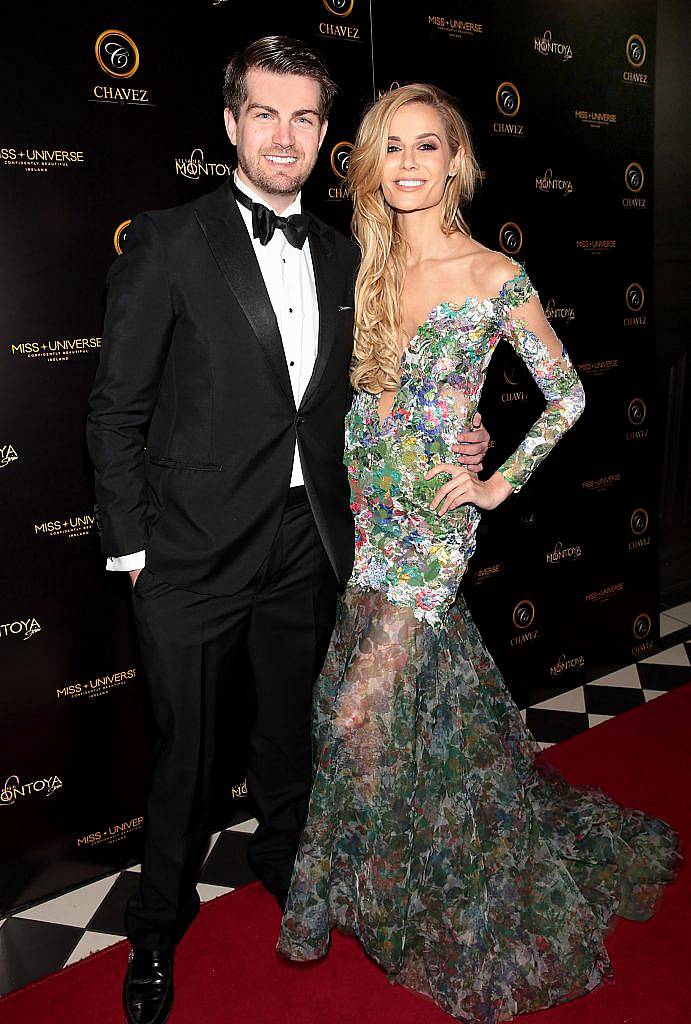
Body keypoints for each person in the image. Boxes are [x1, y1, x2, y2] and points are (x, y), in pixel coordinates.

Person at [86, 42, 488, 1024]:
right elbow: (114, 411)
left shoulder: (347, 252)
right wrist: (136, 554)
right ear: (230, 124)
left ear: (324, 135)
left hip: (307, 544)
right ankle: (153, 933)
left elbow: (366, 396)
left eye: (305, 119)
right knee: (184, 758)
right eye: (265, 115)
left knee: (288, 744)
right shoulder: (171, 241)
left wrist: (456, 429)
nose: (285, 136)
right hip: (189, 556)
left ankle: (288, 871)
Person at [276, 83, 683, 1022]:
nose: (410, 164)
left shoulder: (492, 274)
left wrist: (496, 478)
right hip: (358, 510)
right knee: (412, 707)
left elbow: (567, 393)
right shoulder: (357, 265)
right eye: (393, 148)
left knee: (352, 712)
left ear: (458, 161)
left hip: (429, 518)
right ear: (372, 164)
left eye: (429, 146)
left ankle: (337, 896)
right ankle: (395, 861)